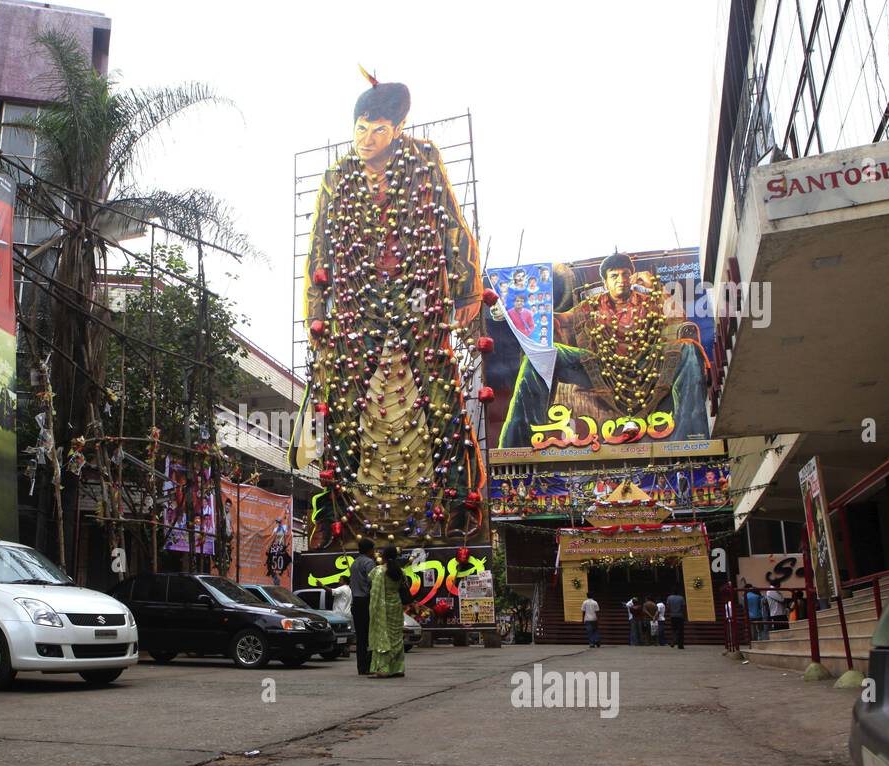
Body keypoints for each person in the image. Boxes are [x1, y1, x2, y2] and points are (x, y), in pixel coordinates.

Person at [293, 72, 484, 543]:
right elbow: (318, 249)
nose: (366, 139)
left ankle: (460, 502)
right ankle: (331, 512)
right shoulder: (337, 178)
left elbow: (452, 226)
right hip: (359, 298)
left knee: (440, 395)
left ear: (398, 129)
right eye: (360, 128)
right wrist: (317, 312)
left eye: (378, 129)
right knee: (338, 401)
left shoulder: (424, 160)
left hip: (417, 290)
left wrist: (465, 289)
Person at [498, 252, 710, 449]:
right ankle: (518, 442)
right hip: (599, 367)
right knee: (539, 357)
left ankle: (691, 436)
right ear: (605, 281)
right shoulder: (590, 306)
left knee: (689, 349)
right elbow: (562, 321)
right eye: (614, 276)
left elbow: (677, 321)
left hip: (647, 364)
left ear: (632, 276)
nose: (621, 280)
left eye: (625, 274)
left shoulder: (653, 303)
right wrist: (516, 311)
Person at [367, 544, 407, 678]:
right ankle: (398, 668)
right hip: (397, 605)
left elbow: (372, 588)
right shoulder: (401, 571)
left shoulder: (378, 571)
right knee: (396, 637)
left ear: (383, 556)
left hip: (383, 607)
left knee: (383, 636)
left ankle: (383, 669)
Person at [350, 538, 377, 675]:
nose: (374, 552)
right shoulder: (369, 563)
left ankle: (361, 667)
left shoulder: (354, 563)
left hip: (356, 601)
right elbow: (373, 582)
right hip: (366, 601)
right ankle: (369, 665)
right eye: (373, 549)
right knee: (369, 635)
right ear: (369, 550)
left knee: (360, 637)